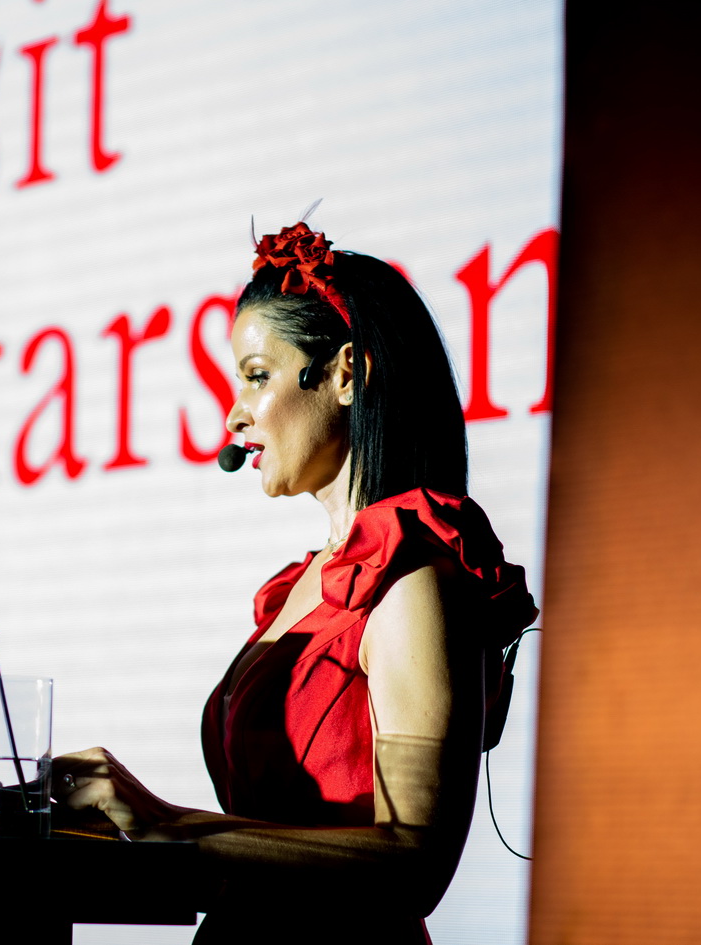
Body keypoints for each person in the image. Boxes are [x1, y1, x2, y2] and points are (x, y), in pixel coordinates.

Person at [53, 220, 539, 943]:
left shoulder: (413, 585)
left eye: (257, 375)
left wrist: (168, 824)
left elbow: (417, 866)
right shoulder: (305, 587)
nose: (234, 414)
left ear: (346, 374)